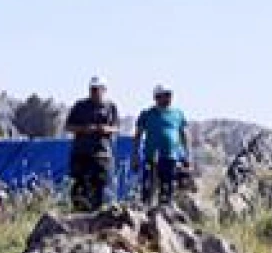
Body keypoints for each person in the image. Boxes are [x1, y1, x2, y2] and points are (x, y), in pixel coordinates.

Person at [65, 76, 120, 211]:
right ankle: (78, 212)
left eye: (97, 89)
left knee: (101, 186)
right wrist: (85, 129)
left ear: (104, 90)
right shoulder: (80, 106)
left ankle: (97, 213)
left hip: (102, 154)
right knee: (79, 185)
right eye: (92, 89)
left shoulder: (111, 106)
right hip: (81, 153)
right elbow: (68, 126)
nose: (94, 92)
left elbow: (116, 127)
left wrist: (105, 129)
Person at [132, 85, 190, 206]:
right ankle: (145, 213)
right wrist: (135, 154)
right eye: (166, 95)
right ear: (157, 97)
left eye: (170, 94)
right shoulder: (147, 114)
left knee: (167, 189)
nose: (169, 98)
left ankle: (165, 215)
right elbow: (138, 135)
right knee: (148, 188)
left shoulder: (178, 113)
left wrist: (187, 155)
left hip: (170, 157)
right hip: (151, 156)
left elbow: (184, 134)